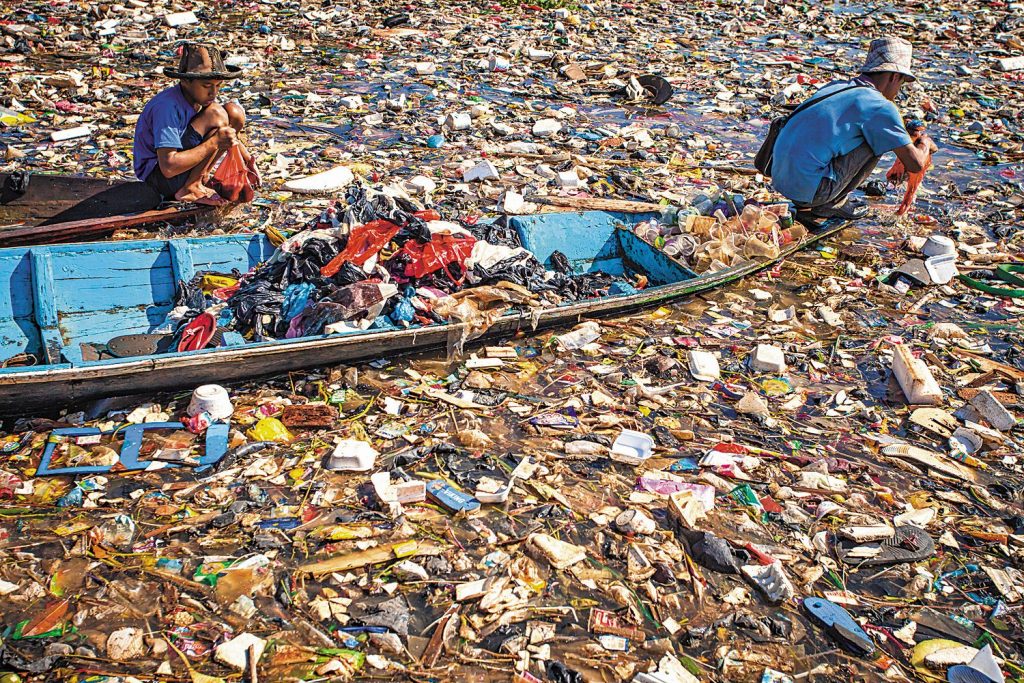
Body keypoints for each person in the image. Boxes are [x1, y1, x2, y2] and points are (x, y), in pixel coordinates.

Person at [769, 37, 935, 221]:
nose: (897, 92)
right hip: (811, 191)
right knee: (876, 140)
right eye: (900, 84)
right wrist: (925, 143)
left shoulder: (836, 87)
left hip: (781, 180)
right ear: (894, 77)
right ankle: (831, 203)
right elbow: (915, 164)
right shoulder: (881, 106)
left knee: (873, 134)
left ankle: (816, 198)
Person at [133, 43, 253, 204]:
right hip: (159, 180)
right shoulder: (167, 108)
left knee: (234, 113)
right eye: (206, 86)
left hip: (177, 171)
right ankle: (190, 187)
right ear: (185, 81)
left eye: (218, 86)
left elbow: (229, 131)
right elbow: (168, 167)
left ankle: (201, 178)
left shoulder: (197, 98)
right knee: (216, 115)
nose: (213, 93)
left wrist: (247, 160)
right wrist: (213, 142)